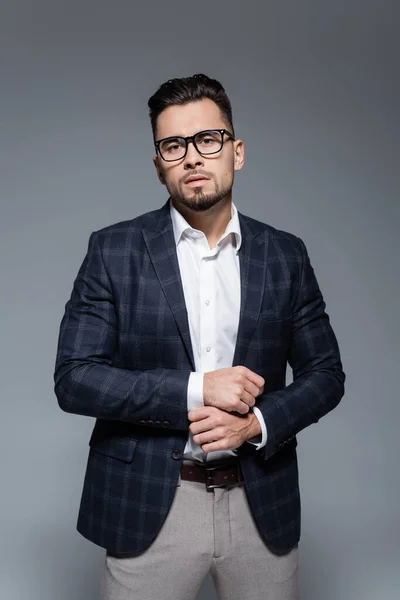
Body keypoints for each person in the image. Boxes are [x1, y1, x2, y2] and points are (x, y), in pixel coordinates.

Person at [54, 73, 345, 600]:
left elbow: (326, 374)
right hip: (150, 505)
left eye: (207, 140)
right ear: (158, 165)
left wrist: (256, 423)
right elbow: (75, 379)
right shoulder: (113, 250)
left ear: (236, 152)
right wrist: (197, 389)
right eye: (173, 145)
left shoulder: (286, 255)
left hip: (261, 503)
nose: (192, 157)